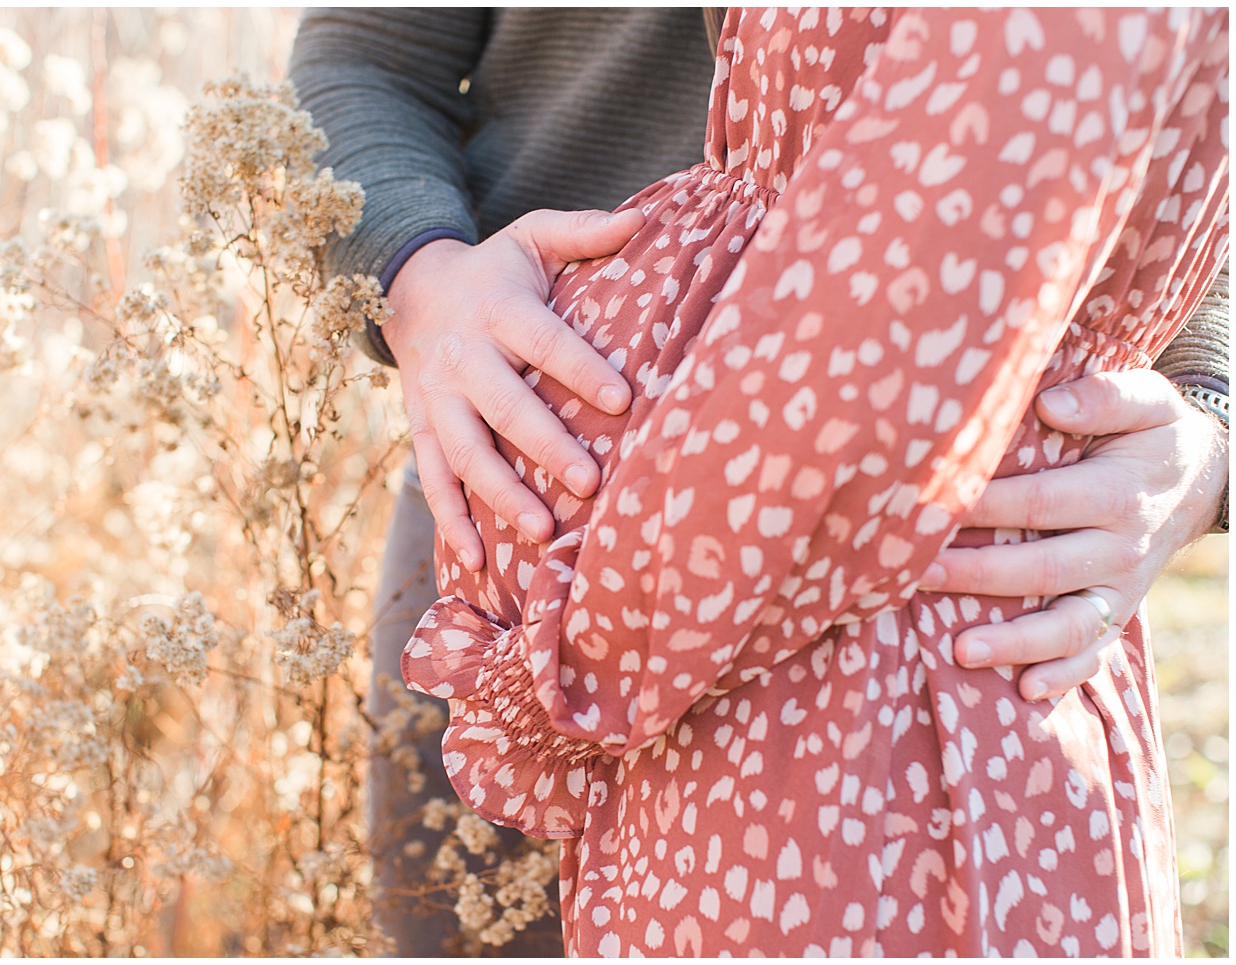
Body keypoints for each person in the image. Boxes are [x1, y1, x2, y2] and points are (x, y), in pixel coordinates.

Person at [290, 7, 1229, 954]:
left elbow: (1141, 99)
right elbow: (367, 51)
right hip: (500, 501)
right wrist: (417, 272)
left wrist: (1213, 416)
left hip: (892, 607)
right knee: (455, 930)